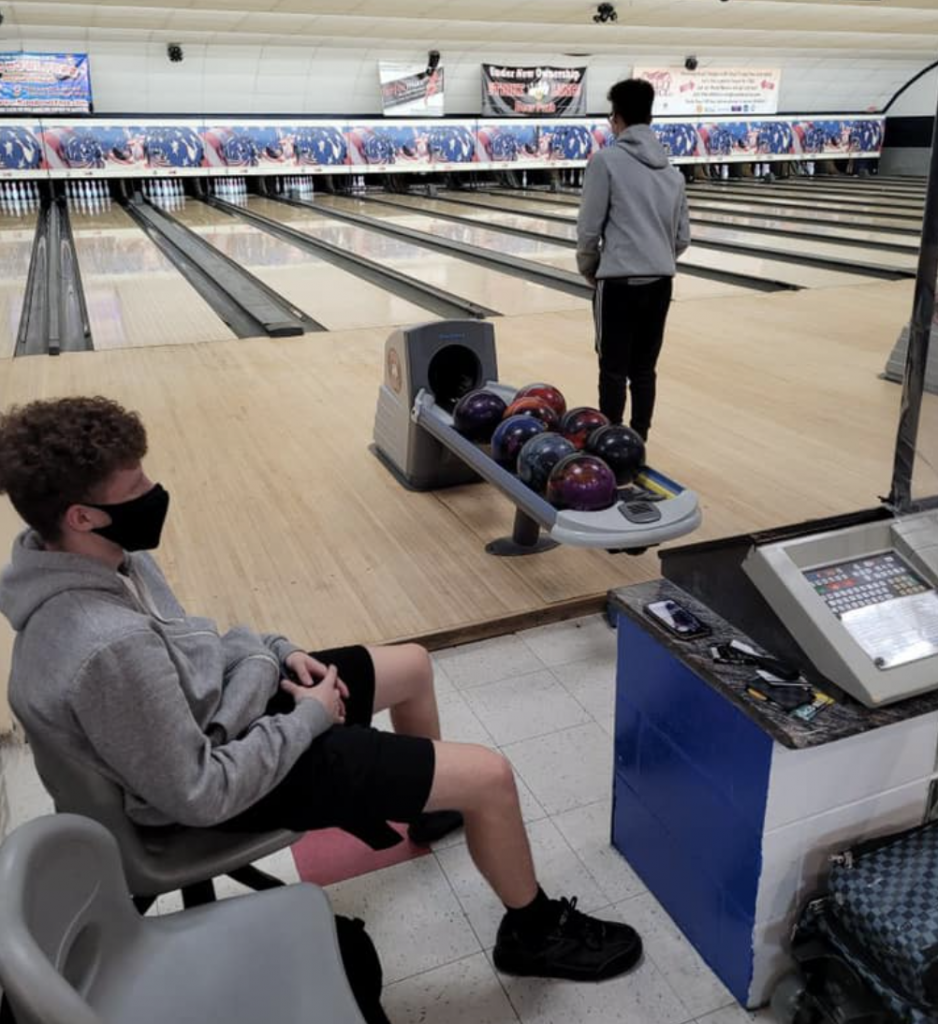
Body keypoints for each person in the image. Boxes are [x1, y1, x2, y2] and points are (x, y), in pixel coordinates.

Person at [0, 396, 643, 984]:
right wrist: (308, 718)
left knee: (412, 665)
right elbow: (198, 792)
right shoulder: (105, 645)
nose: (154, 493)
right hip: (227, 779)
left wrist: (279, 652)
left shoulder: (105, 557)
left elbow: (191, 647)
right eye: (136, 487)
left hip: (229, 717)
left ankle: (427, 808)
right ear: (82, 515)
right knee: (490, 777)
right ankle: (532, 933)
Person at [577, 78, 691, 442]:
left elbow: (589, 228)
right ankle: (638, 441)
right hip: (660, 283)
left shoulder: (605, 162)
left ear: (617, 118)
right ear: (650, 117)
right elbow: (682, 238)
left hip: (618, 284)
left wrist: (590, 268)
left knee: (612, 368)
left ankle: (610, 441)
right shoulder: (672, 173)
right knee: (644, 369)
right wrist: (656, 257)